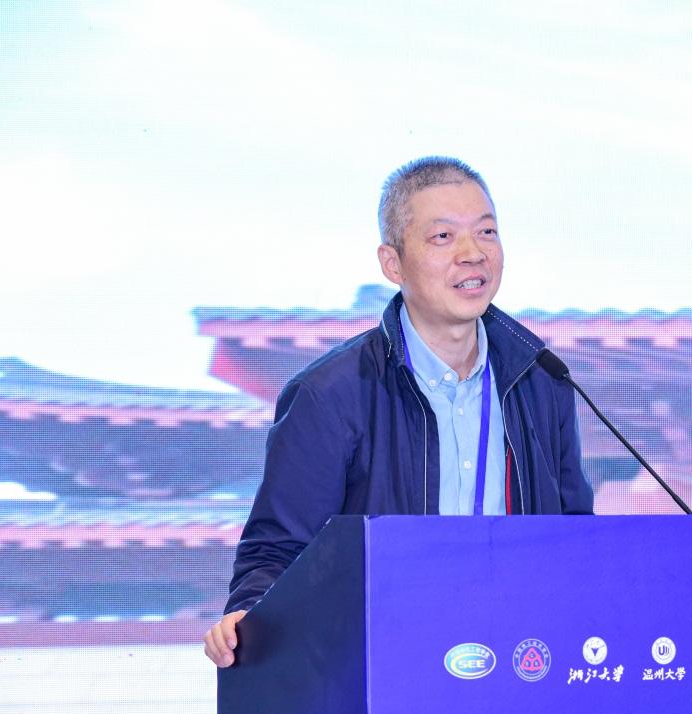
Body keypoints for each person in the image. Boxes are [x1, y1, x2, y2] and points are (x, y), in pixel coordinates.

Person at [203, 156, 594, 667]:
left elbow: (576, 536)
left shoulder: (541, 382)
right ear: (393, 264)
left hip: (521, 660)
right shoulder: (330, 395)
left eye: (487, 232)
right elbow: (279, 550)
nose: (473, 253)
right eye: (443, 237)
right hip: (385, 664)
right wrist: (250, 614)